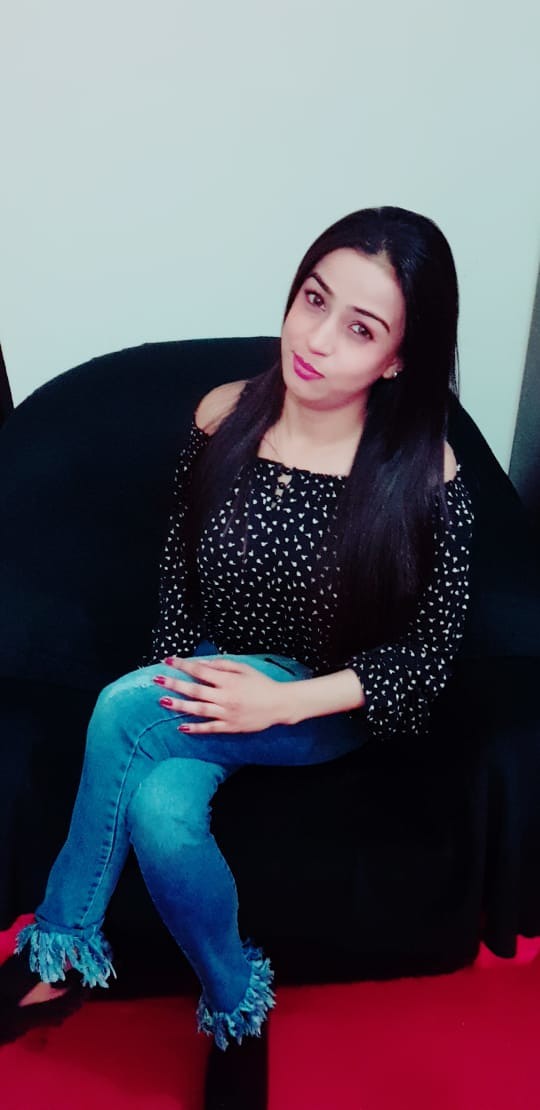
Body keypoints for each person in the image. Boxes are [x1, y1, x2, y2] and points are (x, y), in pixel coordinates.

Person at [0, 206, 474, 1051]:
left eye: (360, 329)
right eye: (314, 299)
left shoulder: (426, 475)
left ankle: (59, 947)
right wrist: (176, 675)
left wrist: (280, 704)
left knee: (118, 709)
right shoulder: (224, 415)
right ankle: (235, 1005)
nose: (316, 339)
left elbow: (426, 663)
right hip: (216, 667)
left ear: (398, 357)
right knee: (160, 812)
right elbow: (178, 573)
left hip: (324, 701)